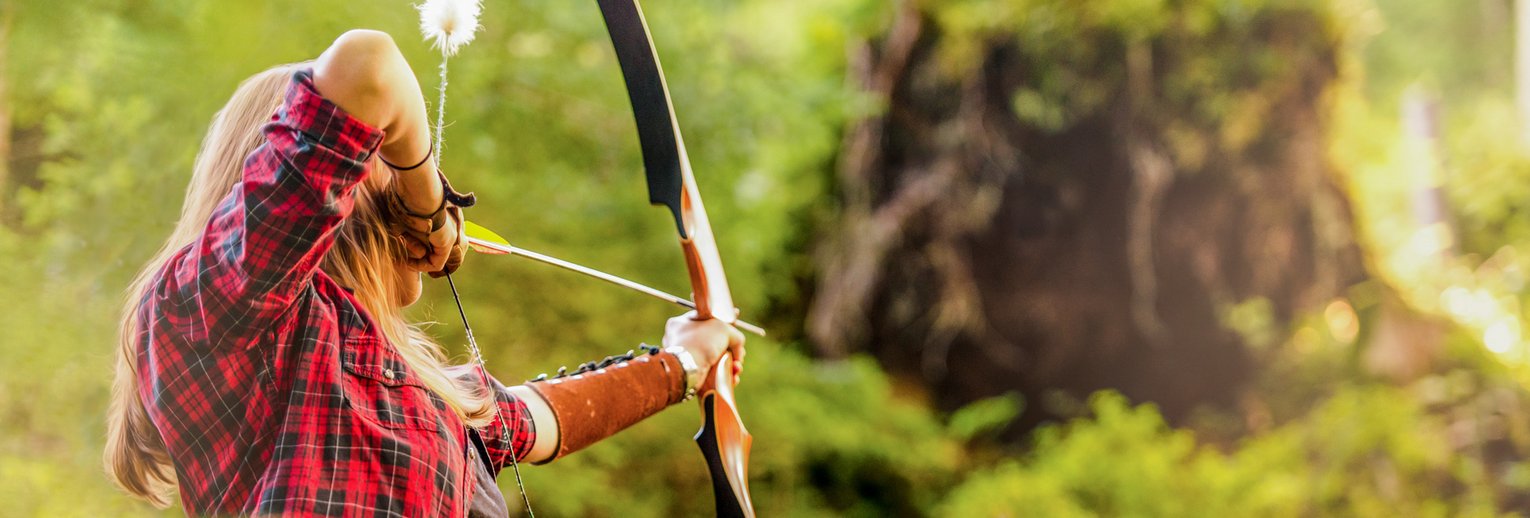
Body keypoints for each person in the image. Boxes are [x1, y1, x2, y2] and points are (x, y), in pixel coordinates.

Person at [103, 30, 745, 517]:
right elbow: (370, 69)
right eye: (391, 154)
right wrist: (428, 201)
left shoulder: (420, 397)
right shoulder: (220, 311)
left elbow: (537, 419)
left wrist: (683, 364)